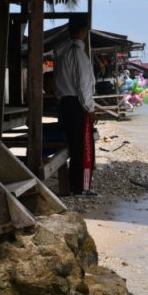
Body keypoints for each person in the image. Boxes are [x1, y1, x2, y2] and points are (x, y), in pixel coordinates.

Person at [53, 16, 98, 196]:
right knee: (83, 146)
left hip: (67, 103)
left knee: (76, 145)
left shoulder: (62, 52)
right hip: (77, 104)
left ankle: (77, 185)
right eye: (86, 30)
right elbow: (82, 86)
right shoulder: (76, 53)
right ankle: (81, 187)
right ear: (82, 31)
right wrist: (90, 109)